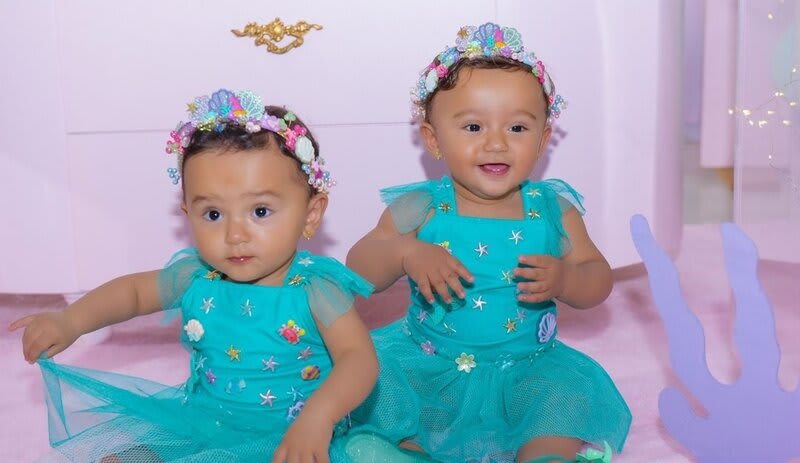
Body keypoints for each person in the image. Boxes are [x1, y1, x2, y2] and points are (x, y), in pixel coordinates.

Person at [9, 88, 378, 463]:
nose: (235, 235)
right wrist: (72, 320)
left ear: (311, 214)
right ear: (187, 213)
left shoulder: (314, 289)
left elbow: (358, 359)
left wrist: (319, 417)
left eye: (260, 212)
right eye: (213, 214)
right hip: (204, 425)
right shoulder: (197, 277)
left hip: (295, 437)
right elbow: (133, 293)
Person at [346, 23, 631, 463]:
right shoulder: (422, 207)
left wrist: (568, 279)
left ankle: (544, 455)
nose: (496, 143)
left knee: (563, 398)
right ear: (433, 139)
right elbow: (359, 269)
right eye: (474, 126)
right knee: (380, 382)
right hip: (429, 364)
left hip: (529, 368)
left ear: (543, 138)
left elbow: (598, 278)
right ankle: (406, 451)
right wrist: (404, 252)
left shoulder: (553, 211)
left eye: (517, 127)